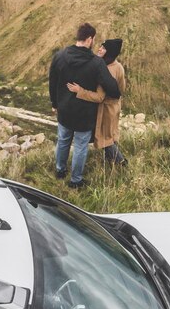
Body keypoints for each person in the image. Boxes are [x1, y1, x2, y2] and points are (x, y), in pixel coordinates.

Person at [49, 23, 121, 188]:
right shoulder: (96, 63)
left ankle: (60, 171)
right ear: (89, 39)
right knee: (80, 146)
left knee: (63, 140)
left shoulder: (59, 56)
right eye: (94, 39)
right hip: (85, 114)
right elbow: (113, 89)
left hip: (64, 110)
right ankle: (76, 181)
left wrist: (55, 103)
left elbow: (52, 82)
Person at [67, 38, 127, 165]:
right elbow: (121, 89)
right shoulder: (118, 66)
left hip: (106, 110)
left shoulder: (106, 70)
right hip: (114, 107)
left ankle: (122, 163)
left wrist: (80, 91)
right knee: (109, 137)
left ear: (109, 52)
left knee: (106, 141)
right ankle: (109, 164)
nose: (100, 49)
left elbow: (99, 97)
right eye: (101, 46)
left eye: (104, 48)